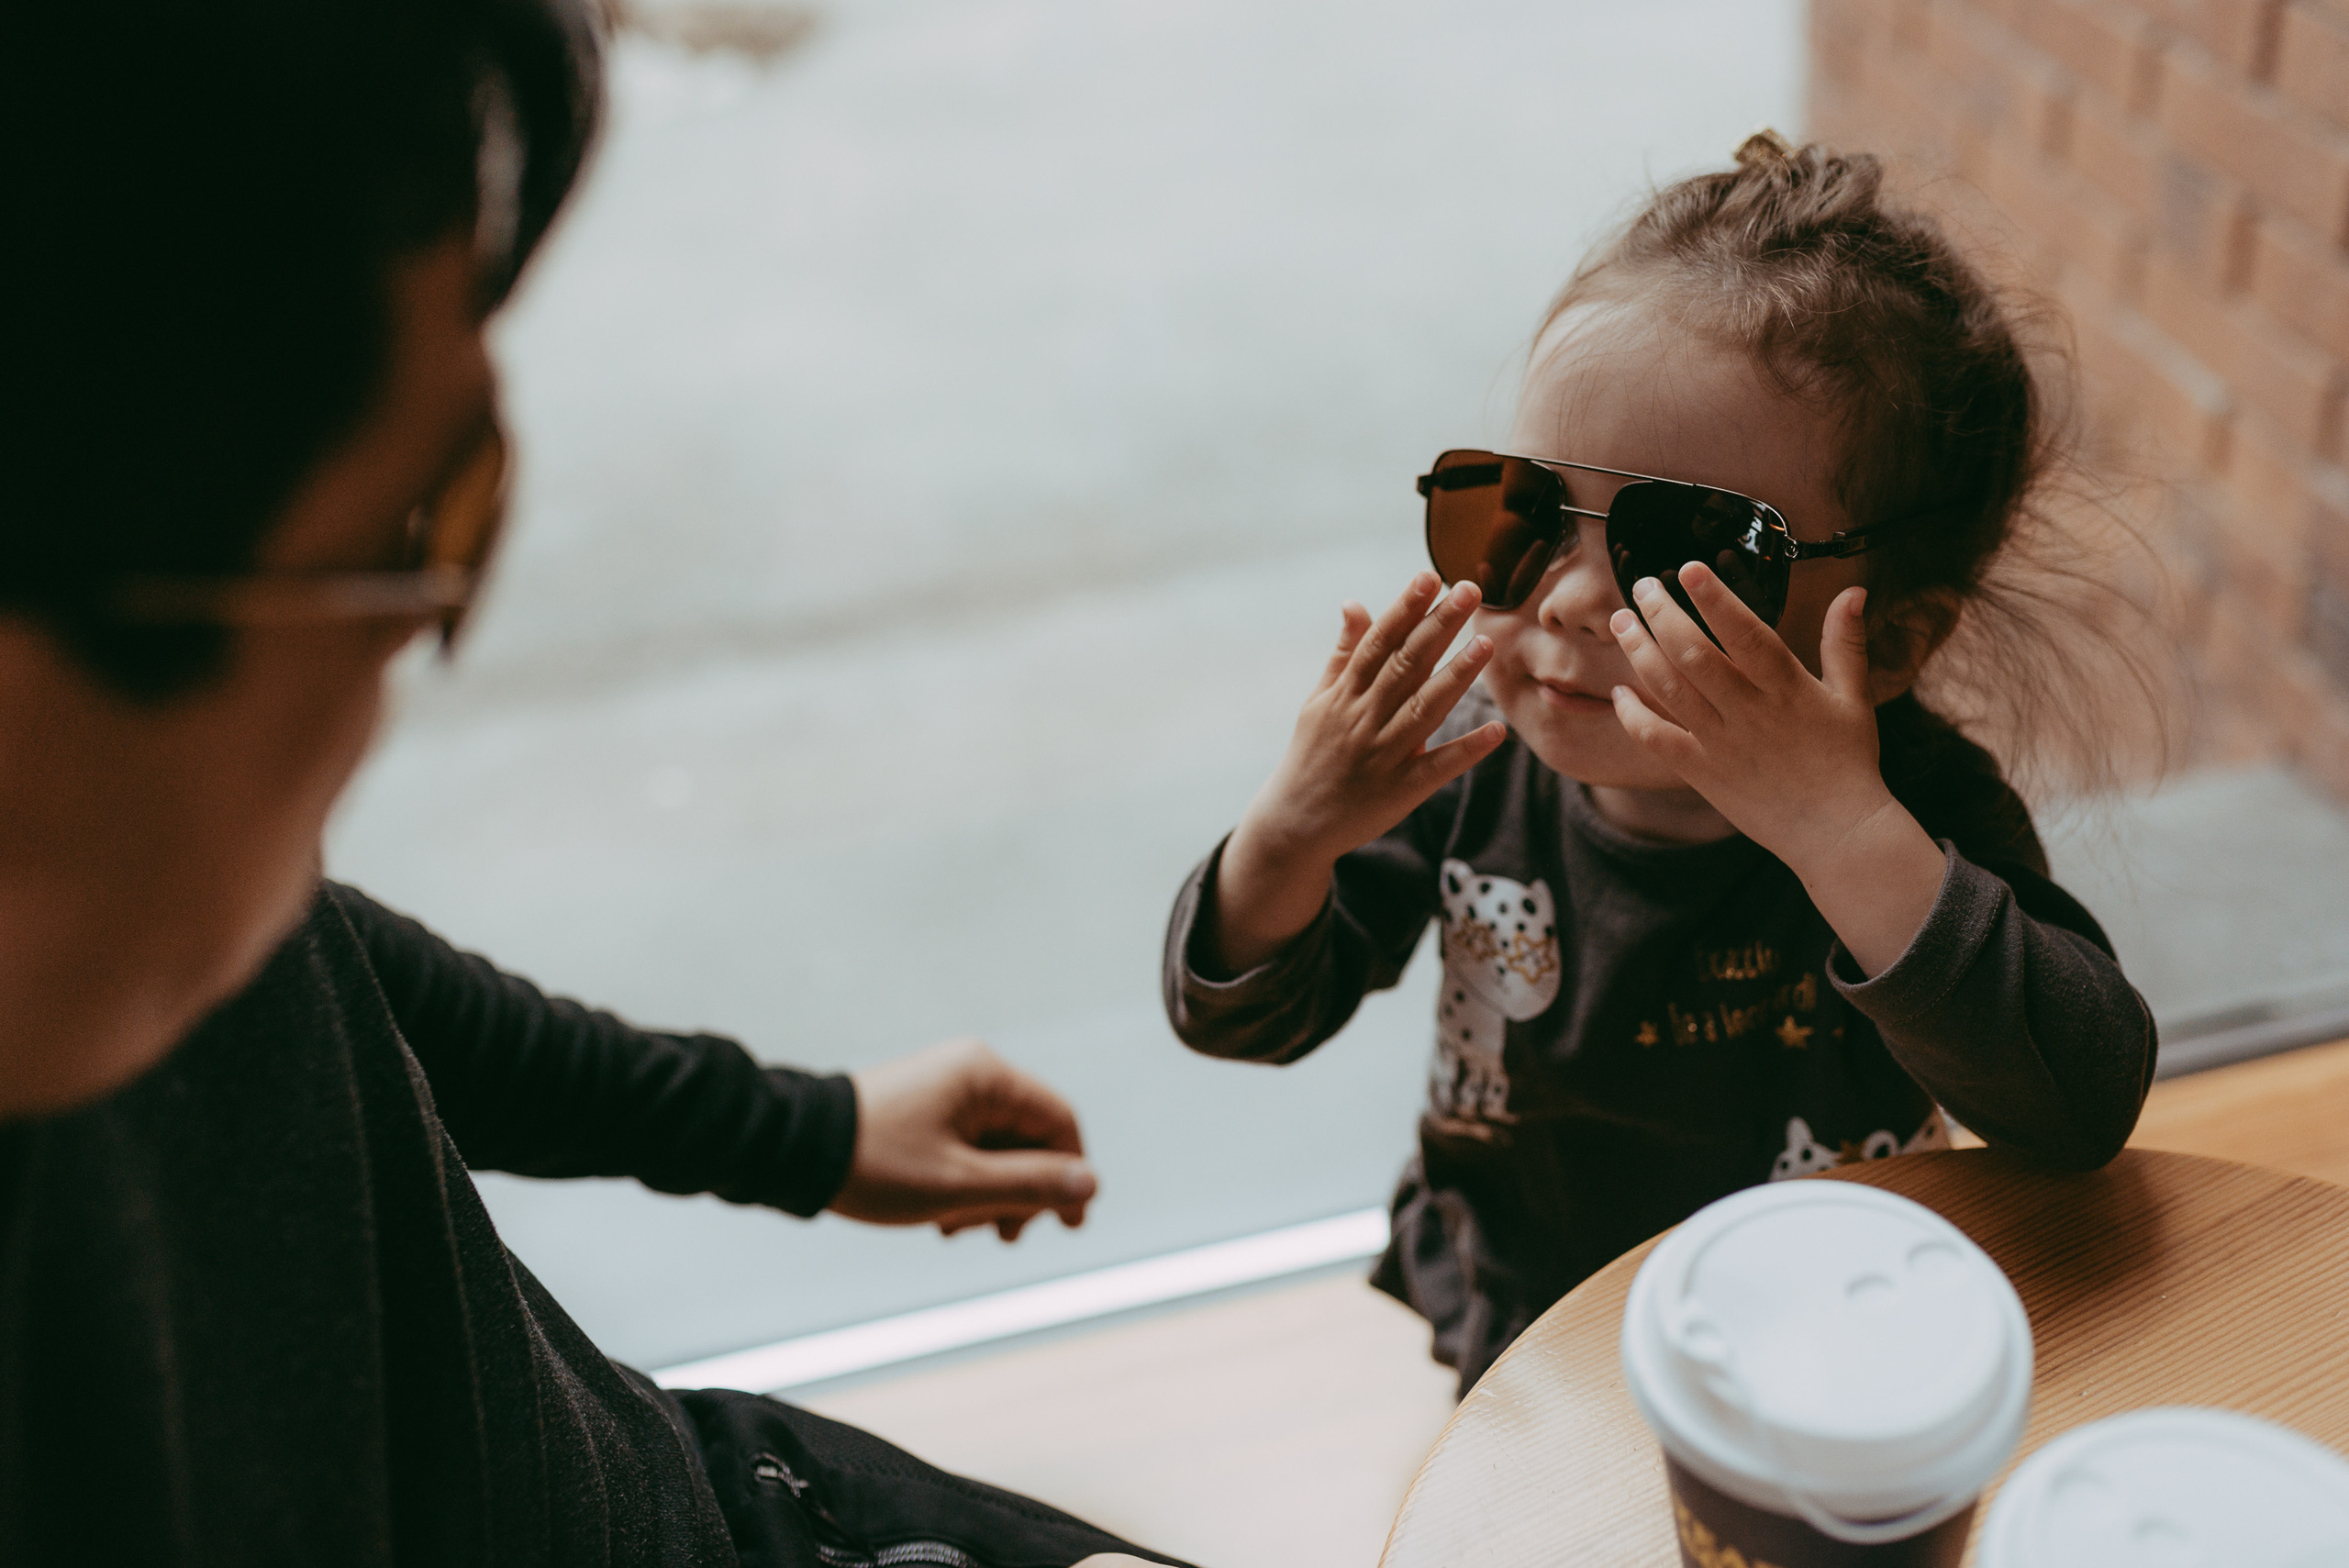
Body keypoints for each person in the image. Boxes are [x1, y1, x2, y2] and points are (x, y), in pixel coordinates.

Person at [0, 4, 1174, 1564]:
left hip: (725, 1494)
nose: (410, 667)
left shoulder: (115, 927)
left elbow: (325, 973)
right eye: (427, 523)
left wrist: (797, 1129)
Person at [1162, 134, 2160, 1397]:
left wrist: (1847, 836)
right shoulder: (1471, 758)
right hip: (1528, 1317)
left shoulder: (1912, 807)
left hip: (1827, 1329)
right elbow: (1248, 1014)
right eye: (1521, 511)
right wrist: (1290, 839)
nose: (1570, 598)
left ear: (1894, 636)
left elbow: (2081, 1105)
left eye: (1681, 548)